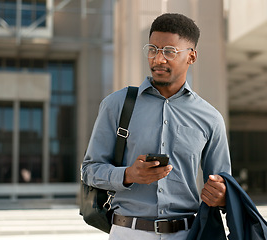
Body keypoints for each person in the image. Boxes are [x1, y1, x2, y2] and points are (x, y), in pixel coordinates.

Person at [81, 13, 232, 240]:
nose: (158, 59)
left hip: (186, 234)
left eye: (169, 52)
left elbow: (222, 184)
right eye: (153, 49)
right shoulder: (116, 105)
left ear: (191, 57)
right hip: (127, 232)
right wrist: (128, 174)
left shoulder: (210, 118)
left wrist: (222, 196)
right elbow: (89, 170)